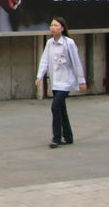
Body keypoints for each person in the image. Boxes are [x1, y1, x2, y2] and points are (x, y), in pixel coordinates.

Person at [35, 17, 86, 148]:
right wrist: (39, 76)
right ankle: (68, 137)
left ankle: (56, 138)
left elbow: (76, 62)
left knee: (55, 107)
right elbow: (44, 61)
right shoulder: (49, 43)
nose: (53, 28)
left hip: (67, 81)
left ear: (62, 28)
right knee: (62, 109)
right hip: (56, 81)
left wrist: (81, 80)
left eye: (56, 26)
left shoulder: (69, 43)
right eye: (51, 25)